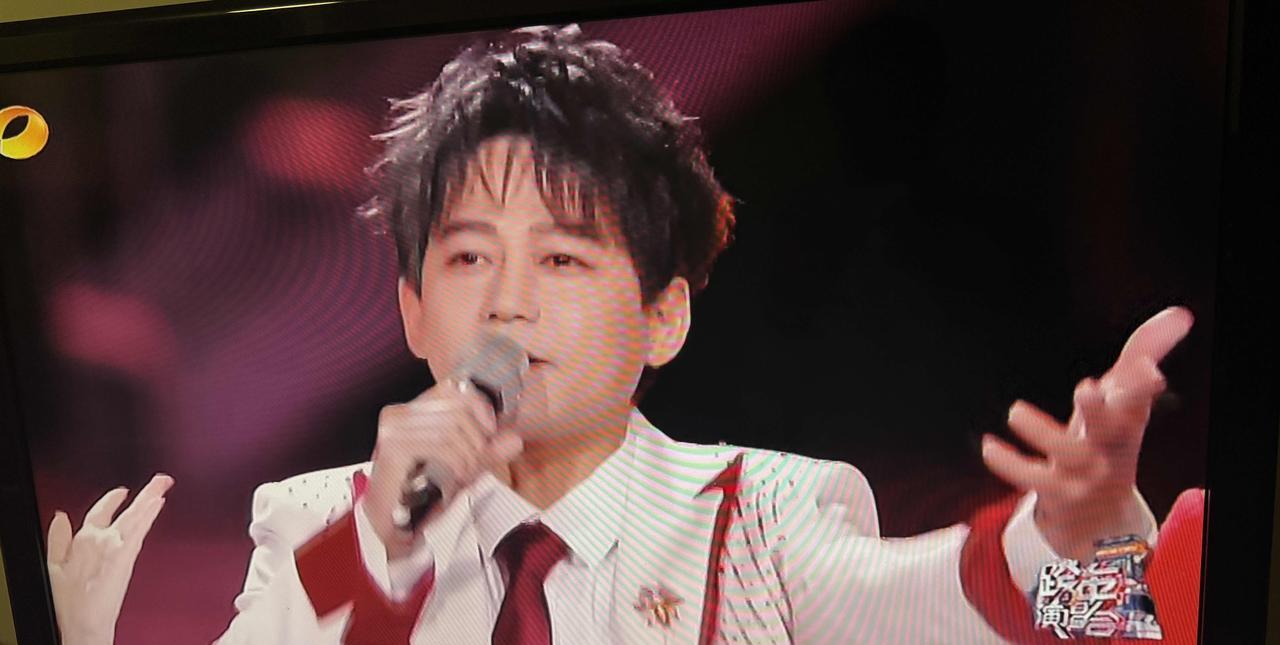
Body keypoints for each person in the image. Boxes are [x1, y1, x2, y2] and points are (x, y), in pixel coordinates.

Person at [47, 24, 1201, 644]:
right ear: (408, 310)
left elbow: (1003, 613)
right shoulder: (312, 525)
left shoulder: (764, 518)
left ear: (664, 317)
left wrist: (1090, 542)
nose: (507, 302)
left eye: (561, 257)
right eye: (467, 258)